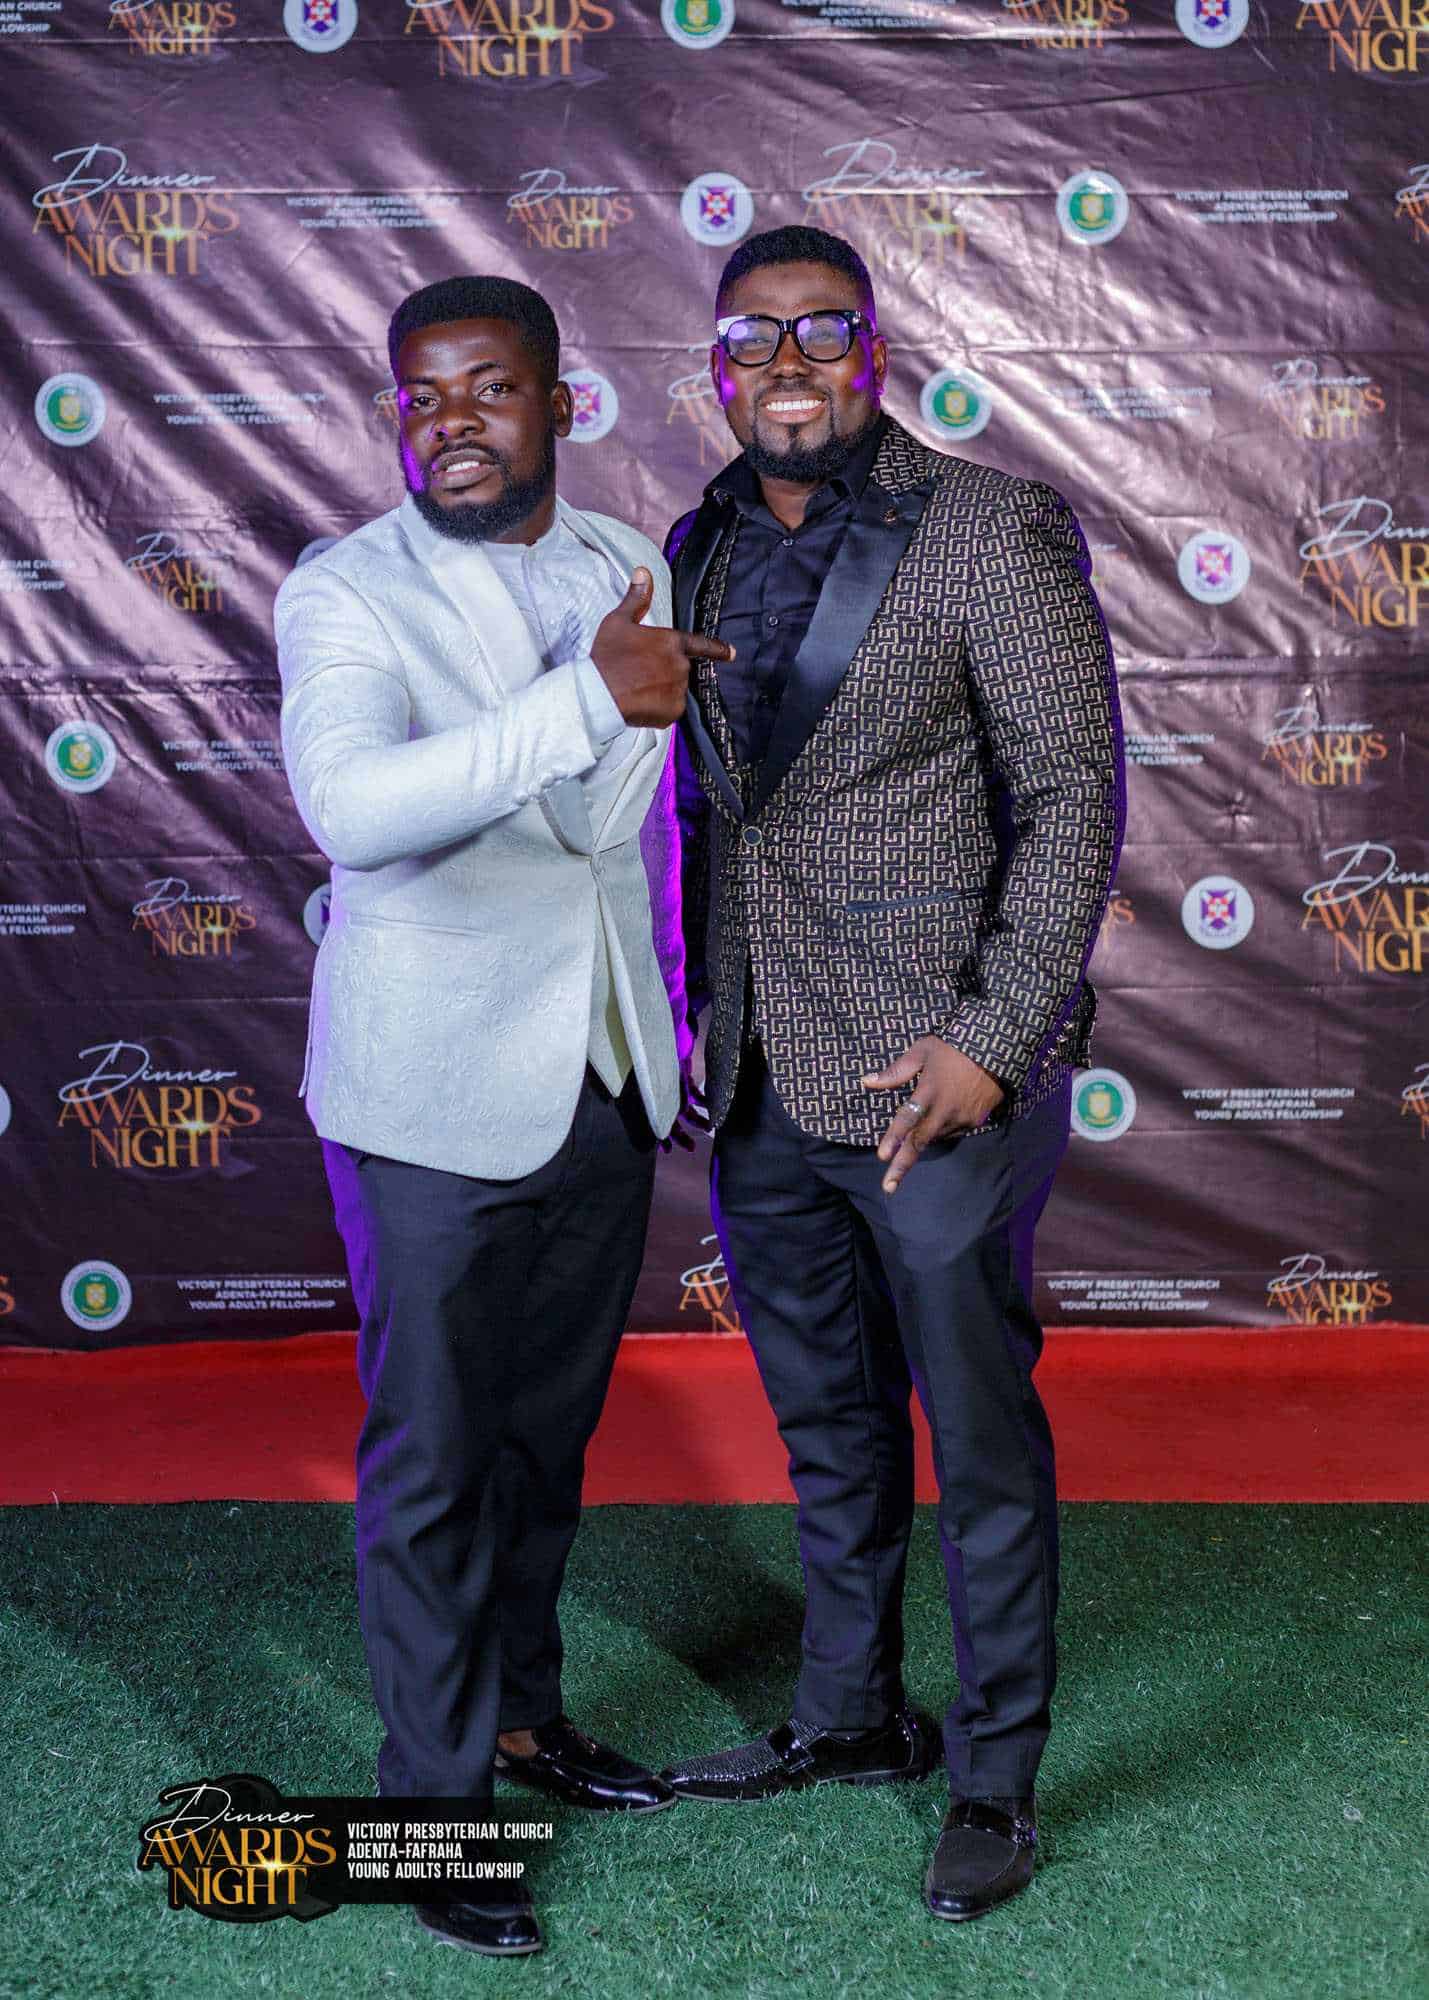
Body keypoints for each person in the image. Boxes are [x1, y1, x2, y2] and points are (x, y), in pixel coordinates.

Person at [660, 226, 1124, 1922]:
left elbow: (1070, 796)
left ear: (874, 347)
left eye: (819, 331)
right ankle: (849, 1714)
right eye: (750, 339)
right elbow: (722, 816)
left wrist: (991, 1044)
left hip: (939, 1077)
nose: (784, 365)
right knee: (827, 1423)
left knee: (976, 1439)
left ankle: (995, 1779)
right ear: (715, 366)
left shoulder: (989, 525)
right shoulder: (696, 540)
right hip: (763, 1073)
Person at [273, 275, 731, 1958]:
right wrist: (583, 699)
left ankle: (526, 1725)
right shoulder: (345, 588)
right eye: (422, 395)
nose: (450, 420)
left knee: (543, 1446)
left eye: (487, 388)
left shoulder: (625, 559)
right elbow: (355, 809)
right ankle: (434, 1813)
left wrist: (608, 724)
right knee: (436, 1461)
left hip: (599, 1071)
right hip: (426, 1096)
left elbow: (613, 827)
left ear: (559, 401)